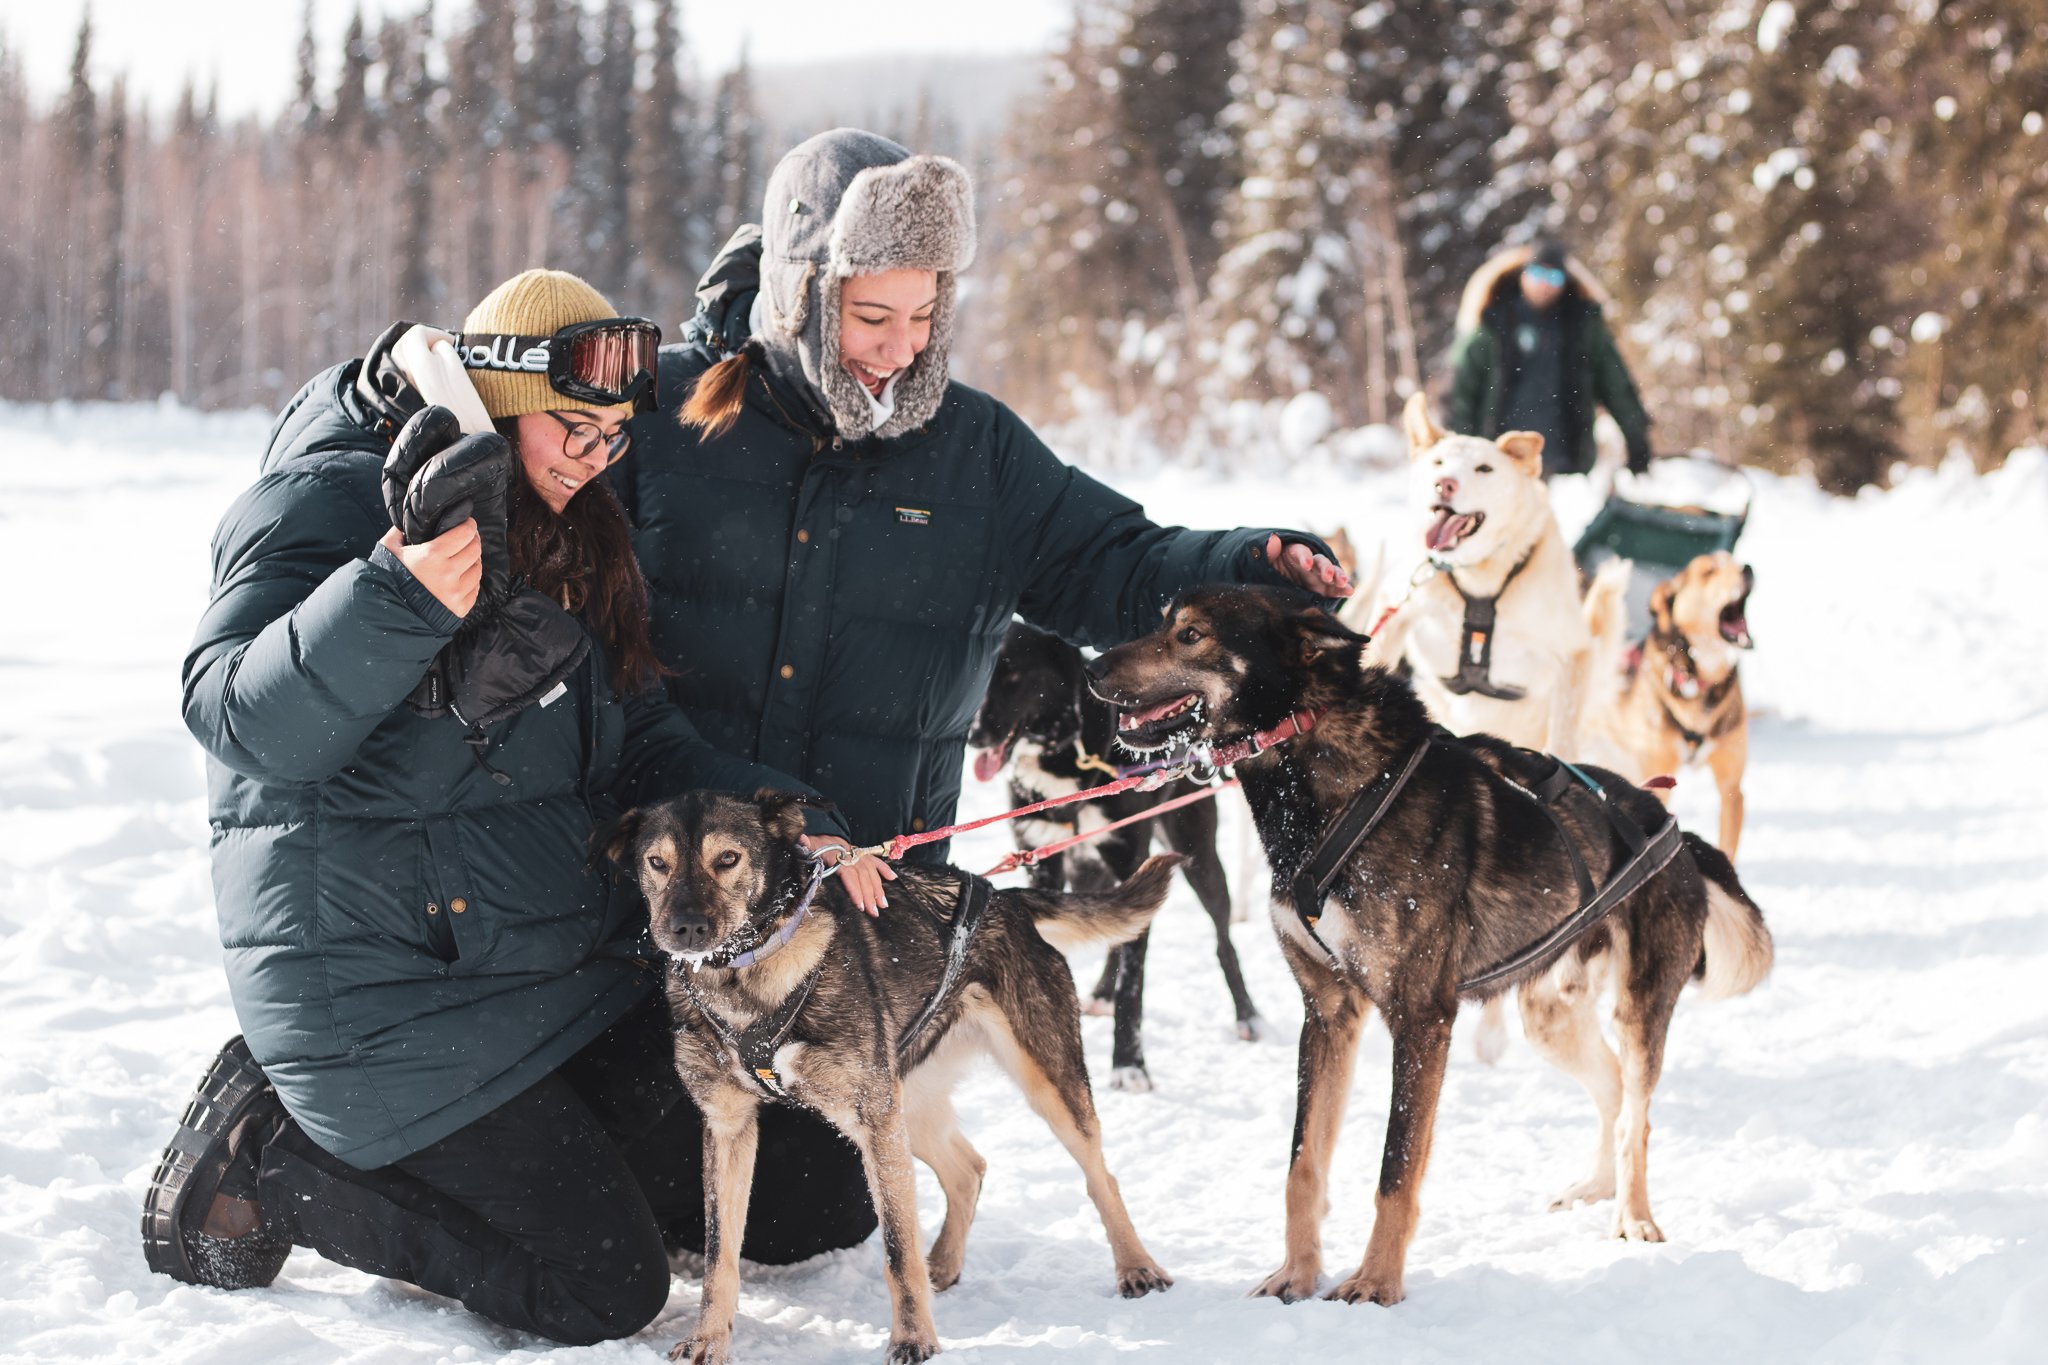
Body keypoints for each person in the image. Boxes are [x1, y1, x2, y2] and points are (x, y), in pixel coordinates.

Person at [141, 269, 881, 1345]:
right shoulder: (332, 497)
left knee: (818, 1194)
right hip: (383, 1001)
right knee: (603, 1293)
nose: (592, 461)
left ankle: (556, 1167)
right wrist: (391, 596)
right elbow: (241, 720)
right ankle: (276, 1151)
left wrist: (779, 817)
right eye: (571, 430)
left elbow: (642, 739)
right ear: (491, 401)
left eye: (614, 439)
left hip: (547, 976)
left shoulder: (568, 521)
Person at [617, 128, 1353, 869]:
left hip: (881, 916)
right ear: (796, 294)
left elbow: (1113, 562)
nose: (901, 348)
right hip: (675, 911)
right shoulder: (654, 413)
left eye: (924, 316)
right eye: (871, 317)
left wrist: (1247, 566)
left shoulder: (973, 448)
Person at [1446, 239, 1654, 478]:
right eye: (1536, 273)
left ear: (1564, 282)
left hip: (1564, 462)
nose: (1544, 284)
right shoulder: (1493, 324)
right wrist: (1461, 447)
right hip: (1499, 459)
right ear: (1523, 275)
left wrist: (1636, 438)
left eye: (1554, 277)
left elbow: (1616, 384)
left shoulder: (1581, 326)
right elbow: (1460, 391)